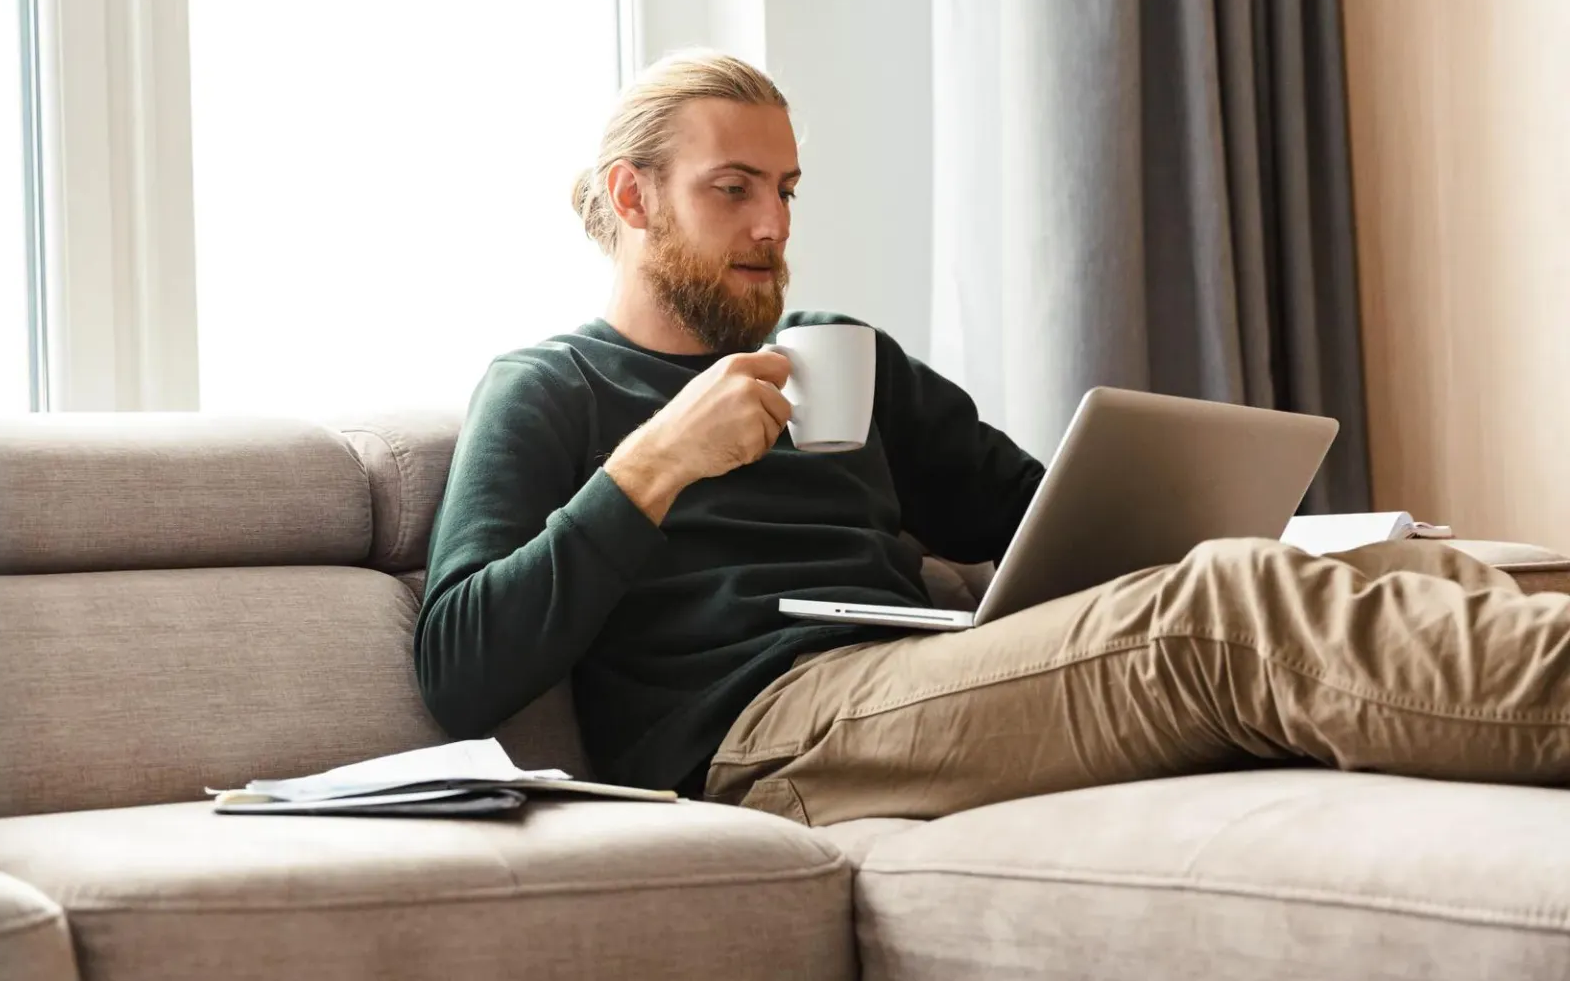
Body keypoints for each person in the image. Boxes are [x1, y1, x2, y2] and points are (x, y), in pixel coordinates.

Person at [413, 50, 1570, 827]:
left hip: (918, 675)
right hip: (762, 737)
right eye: (732, 190)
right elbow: (464, 668)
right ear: (633, 199)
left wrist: (1188, 509)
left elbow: (1037, 519)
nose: (773, 226)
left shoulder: (838, 350)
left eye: (788, 189)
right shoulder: (551, 387)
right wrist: (656, 462)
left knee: (1396, 567)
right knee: (1221, 610)